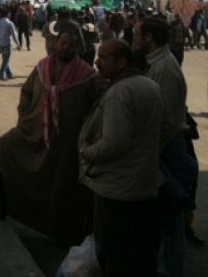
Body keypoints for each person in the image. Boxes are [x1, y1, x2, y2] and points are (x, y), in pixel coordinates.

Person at [0, 31, 104, 244]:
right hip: (33, 133)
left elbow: (100, 106)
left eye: (72, 45)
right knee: (6, 145)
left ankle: (59, 232)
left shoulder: (88, 76)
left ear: (79, 49)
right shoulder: (42, 68)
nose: (66, 48)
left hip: (66, 144)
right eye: (63, 43)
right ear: (56, 44)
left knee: (61, 185)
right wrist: (26, 117)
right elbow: (26, 92)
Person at [79, 39, 164, 277]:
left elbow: (113, 144)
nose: (97, 62)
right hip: (144, 184)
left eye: (104, 58)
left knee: (116, 253)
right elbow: (167, 128)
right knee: (142, 252)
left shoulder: (119, 92)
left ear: (122, 62)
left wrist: (87, 151)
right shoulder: (149, 85)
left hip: (116, 190)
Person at [135, 16, 196, 277]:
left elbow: (167, 120)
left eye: (138, 34)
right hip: (161, 147)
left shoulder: (164, 68)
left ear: (149, 38)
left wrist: (149, 153)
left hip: (167, 149)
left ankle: (170, 270)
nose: (135, 38)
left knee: (170, 219)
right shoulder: (155, 63)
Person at [0, 8, 20, 80]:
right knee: (6, 60)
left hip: (0, 43)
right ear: (8, 14)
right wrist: (18, 44)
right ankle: (1, 74)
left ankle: (9, 74)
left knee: (5, 59)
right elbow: (14, 34)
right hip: (7, 43)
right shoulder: (10, 23)